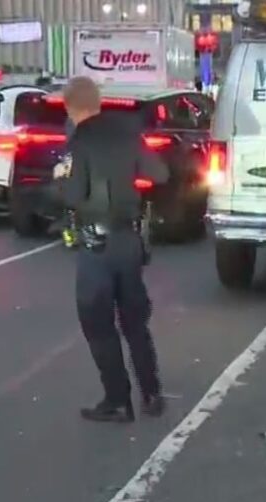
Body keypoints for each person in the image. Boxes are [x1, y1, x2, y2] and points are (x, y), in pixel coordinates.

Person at [58, 76, 169, 422]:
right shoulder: (127, 132)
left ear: (70, 107)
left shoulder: (80, 141)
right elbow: (160, 173)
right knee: (135, 321)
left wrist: (58, 180)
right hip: (130, 241)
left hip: (98, 245)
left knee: (99, 324)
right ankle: (152, 392)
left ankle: (118, 399)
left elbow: (73, 195)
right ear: (98, 101)